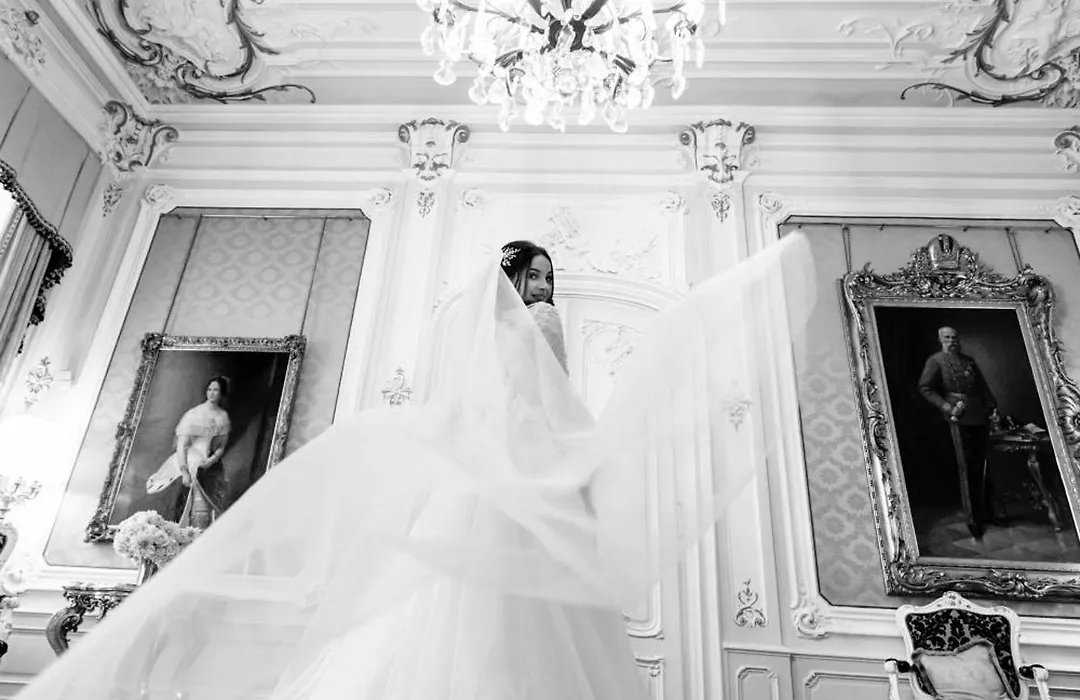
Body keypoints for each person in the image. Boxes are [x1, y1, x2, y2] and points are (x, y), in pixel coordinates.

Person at [17, 234, 815, 700]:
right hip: (515, 496)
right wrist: (585, 465)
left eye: (551, 279)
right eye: (537, 276)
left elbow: (485, 413)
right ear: (516, 280)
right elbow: (555, 411)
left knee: (436, 627)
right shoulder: (542, 324)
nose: (547, 289)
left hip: (469, 496)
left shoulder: (478, 336)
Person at [917, 326, 1000, 539]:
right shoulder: (935, 361)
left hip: (978, 414)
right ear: (940, 340)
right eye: (947, 337)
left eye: (954, 337)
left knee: (984, 466)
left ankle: (989, 513)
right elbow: (925, 388)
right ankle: (973, 519)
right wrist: (946, 407)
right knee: (967, 468)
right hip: (958, 414)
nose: (952, 341)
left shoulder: (968, 361)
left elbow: (982, 386)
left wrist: (992, 407)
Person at [145, 376, 232, 529]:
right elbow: (181, 445)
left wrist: (211, 460)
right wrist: (184, 471)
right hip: (188, 460)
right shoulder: (194, 414)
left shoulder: (222, 416)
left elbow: (221, 447)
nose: (212, 393)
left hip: (210, 465)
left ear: (222, 393)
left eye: (216, 390)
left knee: (211, 505)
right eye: (209, 389)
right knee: (186, 502)